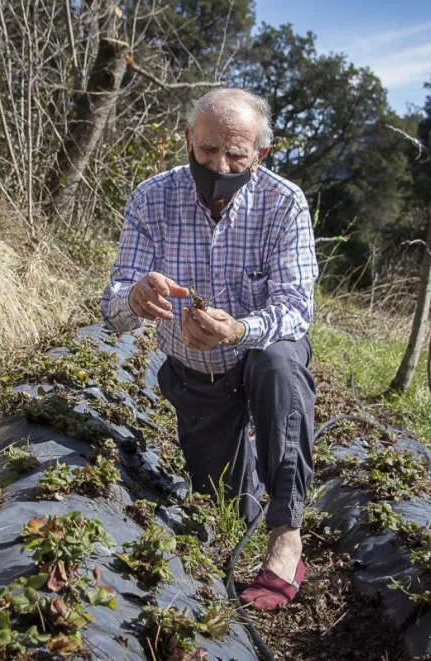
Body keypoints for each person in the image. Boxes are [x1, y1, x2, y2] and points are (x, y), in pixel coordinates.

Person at [101, 88, 318, 610]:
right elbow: (112, 309)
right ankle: (245, 500)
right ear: (188, 141)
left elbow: (295, 306)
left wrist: (240, 329)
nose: (220, 165)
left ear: (260, 156)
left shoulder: (283, 203)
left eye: (236, 155)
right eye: (207, 151)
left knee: (280, 362)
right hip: (198, 371)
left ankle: (287, 538)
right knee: (224, 503)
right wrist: (134, 297)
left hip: (256, 351)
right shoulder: (152, 199)